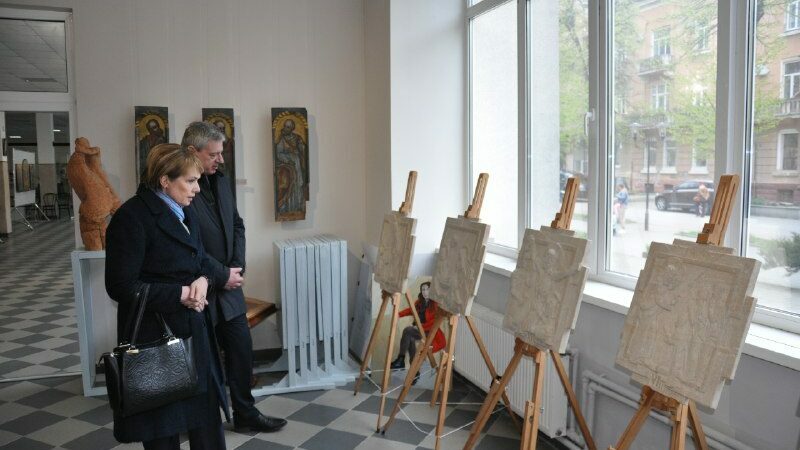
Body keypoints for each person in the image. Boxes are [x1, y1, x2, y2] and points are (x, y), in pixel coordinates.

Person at [105, 144, 228, 450]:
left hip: (195, 335)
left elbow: (201, 259)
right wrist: (180, 293)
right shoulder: (131, 217)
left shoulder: (185, 210)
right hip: (156, 342)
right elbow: (120, 286)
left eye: (198, 180)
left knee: (207, 426)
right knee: (162, 433)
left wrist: (204, 280)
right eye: (190, 181)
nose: (197, 189)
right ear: (164, 180)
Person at [182, 122, 287, 433]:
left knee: (241, 349)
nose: (220, 159)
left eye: (221, 153)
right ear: (193, 151)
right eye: (213, 154)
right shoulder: (181, 188)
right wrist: (221, 274)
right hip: (199, 289)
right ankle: (202, 420)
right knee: (202, 359)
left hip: (229, 286)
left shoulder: (220, 180)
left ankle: (245, 413)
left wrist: (236, 267)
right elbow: (189, 244)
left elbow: (237, 225)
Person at [390, 282, 446, 383]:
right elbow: (411, 310)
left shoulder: (436, 304)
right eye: (423, 290)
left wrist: (419, 327)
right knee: (410, 337)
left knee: (408, 330)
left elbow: (434, 323)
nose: (425, 292)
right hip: (421, 331)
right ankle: (413, 372)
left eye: (427, 289)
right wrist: (399, 314)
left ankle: (402, 361)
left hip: (431, 334)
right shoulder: (419, 302)